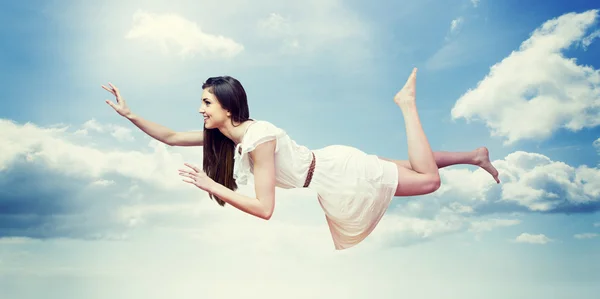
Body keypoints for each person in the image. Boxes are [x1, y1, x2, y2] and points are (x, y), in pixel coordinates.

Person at [102, 68, 500, 250]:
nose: (200, 109)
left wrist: (212, 185)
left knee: (428, 181)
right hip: (332, 164)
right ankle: (474, 155)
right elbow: (171, 137)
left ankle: (406, 105)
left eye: (206, 102)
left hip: (341, 177)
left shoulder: (258, 141)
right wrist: (131, 114)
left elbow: (264, 209)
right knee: (414, 168)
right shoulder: (224, 133)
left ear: (226, 105)